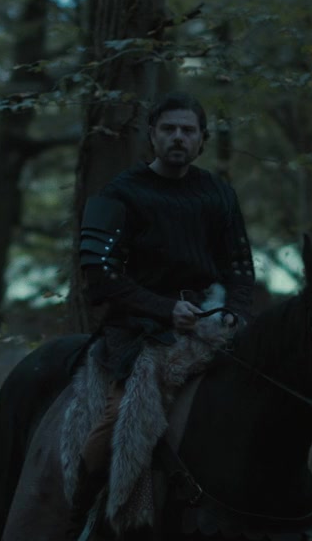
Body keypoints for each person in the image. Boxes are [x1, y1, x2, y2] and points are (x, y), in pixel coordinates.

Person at [67, 91, 256, 535]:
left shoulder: (219, 193)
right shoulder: (120, 193)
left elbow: (239, 269)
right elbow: (101, 277)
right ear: (152, 135)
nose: (178, 137)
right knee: (121, 419)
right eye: (168, 129)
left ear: (202, 139)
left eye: (187, 130)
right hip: (138, 329)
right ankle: (80, 512)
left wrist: (232, 313)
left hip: (210, 323)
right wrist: (165, 308)